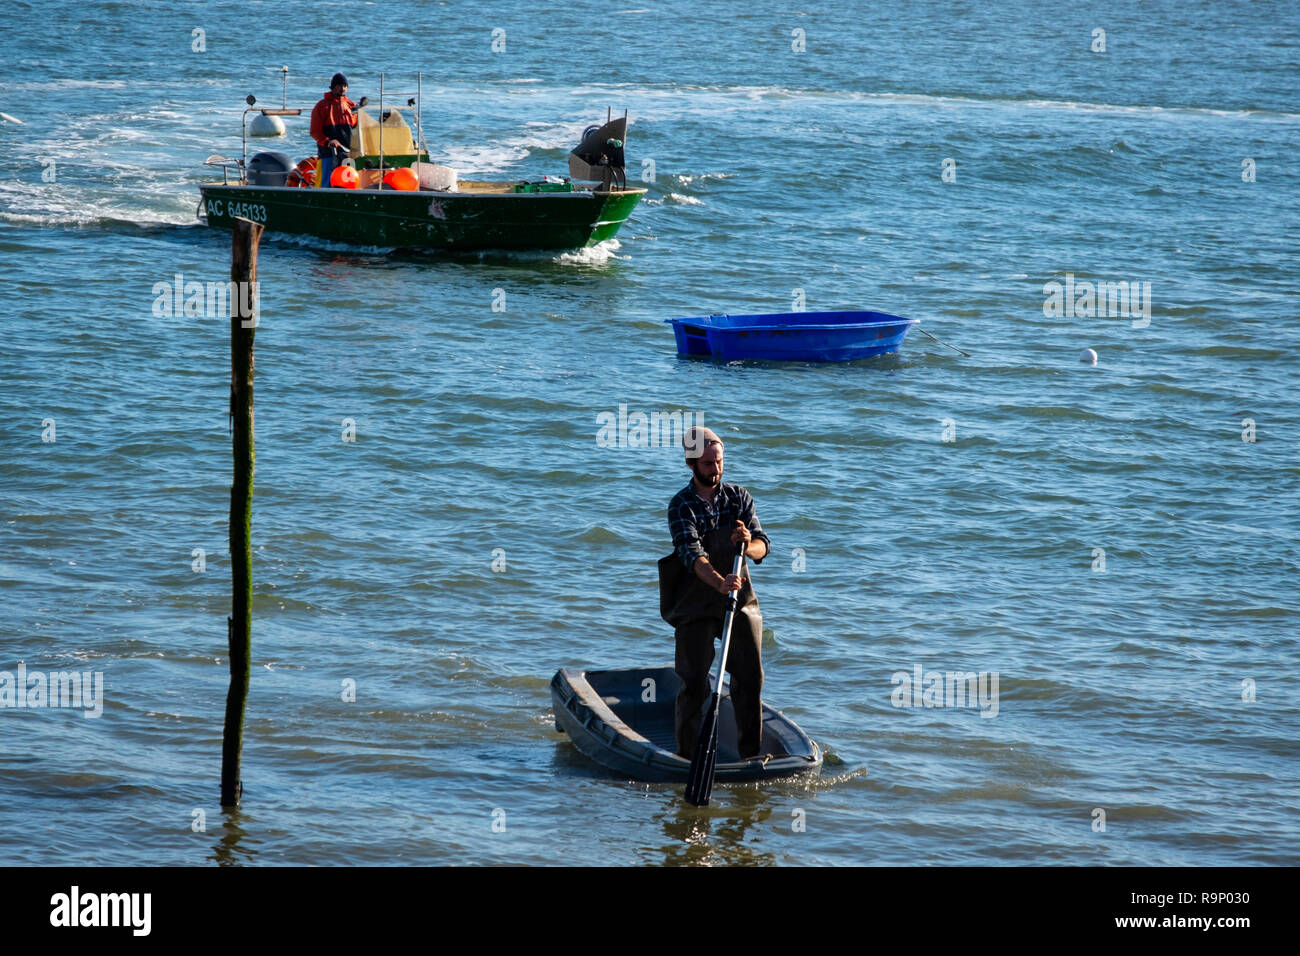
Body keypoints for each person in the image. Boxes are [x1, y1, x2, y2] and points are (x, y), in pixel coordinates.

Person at [662, 426, 770, 760]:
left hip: (740, 600)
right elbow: (691, 555)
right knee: (695, 682)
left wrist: (745, 543)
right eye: (708, 464)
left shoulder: (739, 497)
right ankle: (687, 758)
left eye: (719, 461)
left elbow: (763, 547)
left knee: (750, 678)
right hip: (696, 600)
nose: (716, 469)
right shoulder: (681, 506)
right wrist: (719, 581)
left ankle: (751, 756)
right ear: (691, 464)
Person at [309, 72, 358, 186]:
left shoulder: (351, 106)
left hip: (347, 153)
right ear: (333, 87)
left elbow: (356, 127)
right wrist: (327, 142)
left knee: (347, 184)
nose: (342, 88)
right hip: (328, 153)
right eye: (339, 85)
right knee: (325, 183)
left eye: (344, 85)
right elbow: (314, 131)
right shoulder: (322, 106)